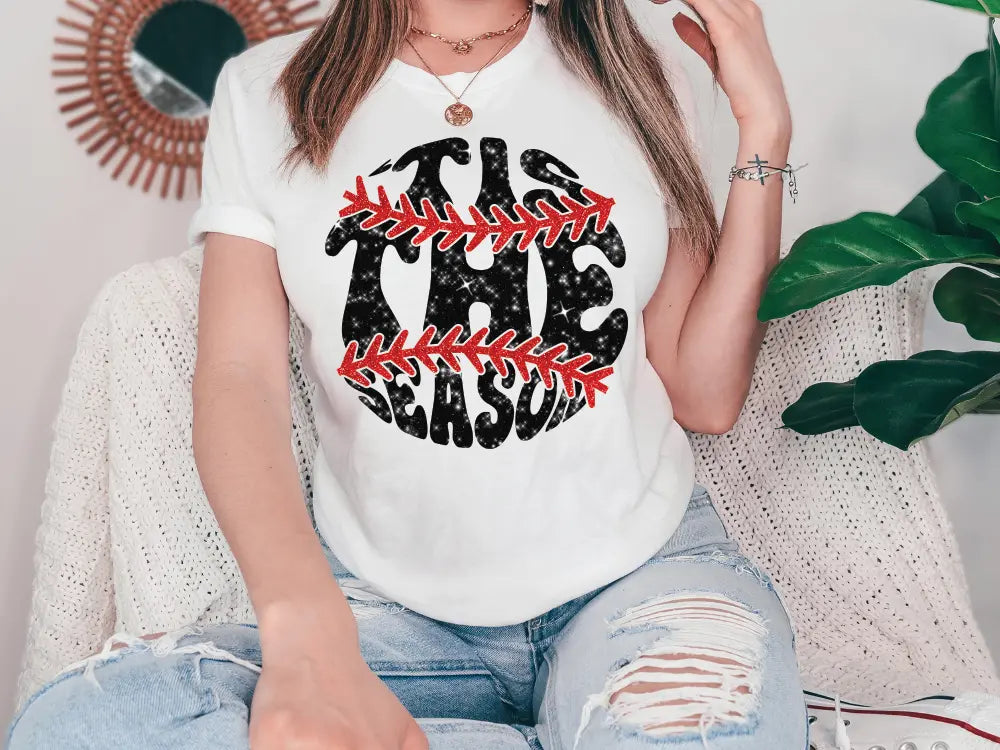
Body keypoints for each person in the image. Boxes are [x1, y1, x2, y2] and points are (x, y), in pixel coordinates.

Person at [7, 0, 806, 747]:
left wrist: (763, 128)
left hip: (639, 583)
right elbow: (239, 376)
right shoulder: (264, 92)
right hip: (387, 613)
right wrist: (304, 630)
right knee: (87, 724)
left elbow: (702, 392)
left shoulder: (639, 70)